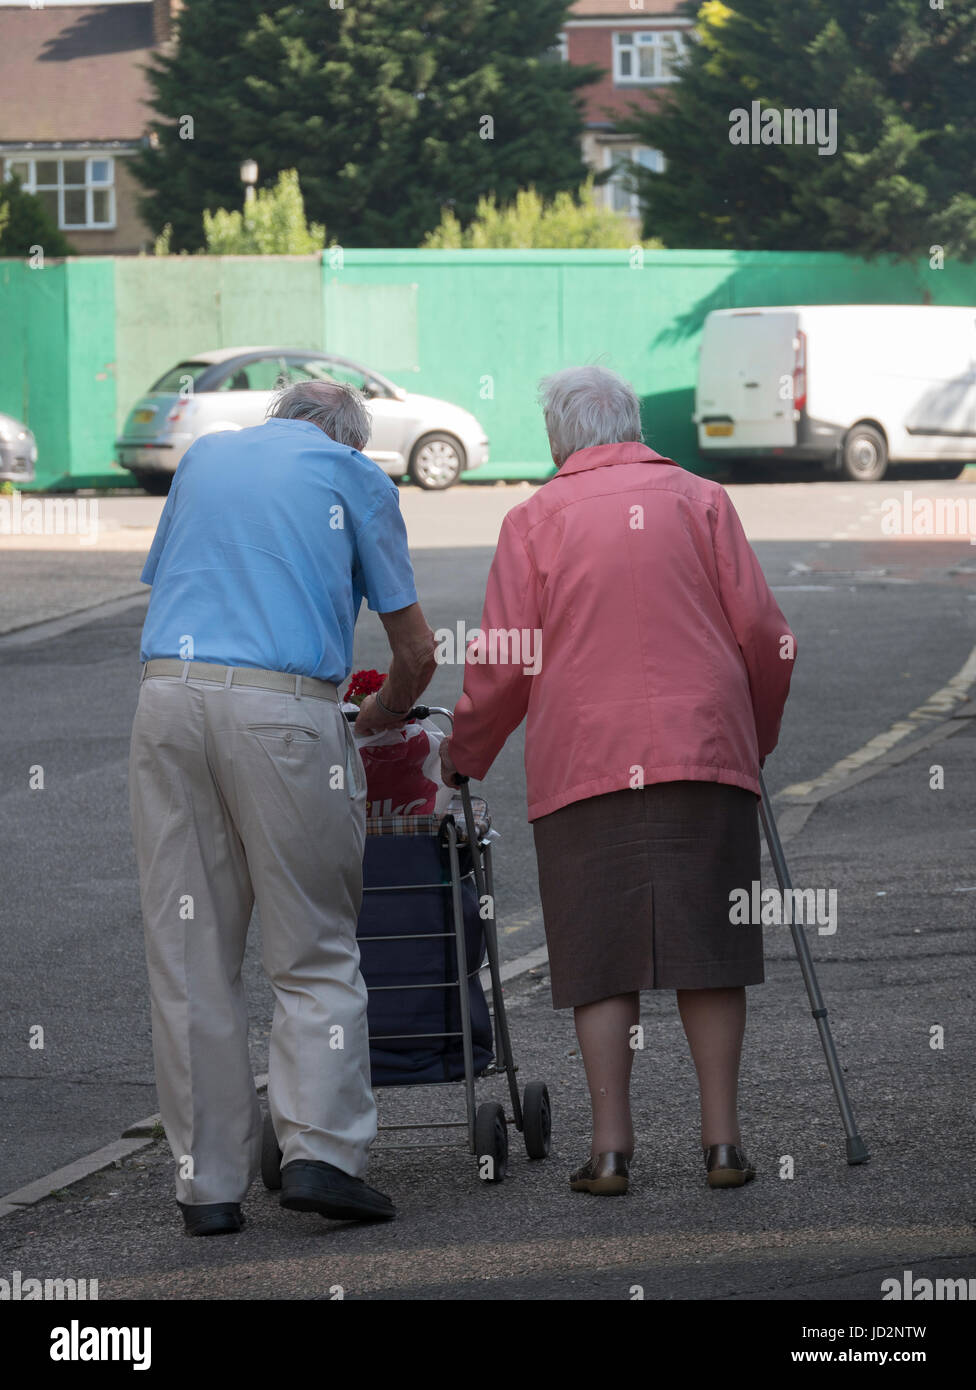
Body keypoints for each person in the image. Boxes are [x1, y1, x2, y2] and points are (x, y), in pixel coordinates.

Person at [441, 365, 796, 1195]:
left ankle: (609, 1151)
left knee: (599, 958)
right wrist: (755, 736)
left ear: (560, 439)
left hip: (585, 759)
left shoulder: (533, 520)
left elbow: (501, 663)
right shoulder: (704, 501)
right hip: (702, 746)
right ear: (633, 425)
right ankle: (723, 1145)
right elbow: (765, 635)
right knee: (712, 948)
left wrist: (465, 755)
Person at [129, 380, 436, 1235]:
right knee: (313, 949)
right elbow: (415, 650)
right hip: (283, 711)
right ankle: (322, 1157)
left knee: (190, 959)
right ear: (350, 436)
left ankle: (209, 1187)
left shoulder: (206, 456)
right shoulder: (354, 474)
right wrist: (378, 715)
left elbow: (176, 582)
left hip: (166, 704)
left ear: (279, 420)